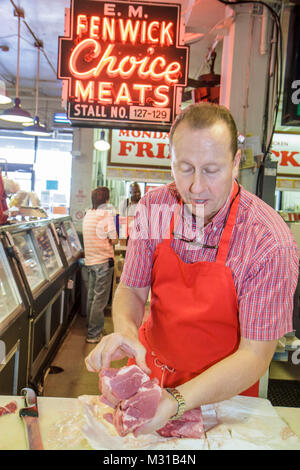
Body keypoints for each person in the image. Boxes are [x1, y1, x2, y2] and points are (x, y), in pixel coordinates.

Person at [85, 103, 299, 434]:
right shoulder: (156, 207)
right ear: (171, 161)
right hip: (150, 374)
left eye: (211, 170)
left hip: (223, 397)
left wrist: (177, 401)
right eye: (185, 168)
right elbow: (132, 288)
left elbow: (255, 355)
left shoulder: (268, 241)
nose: (196, 187)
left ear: (236, 163)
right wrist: (126, 332)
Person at [82, 187, 118, 343]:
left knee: (91, 296)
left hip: (90, 261)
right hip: (103, 262)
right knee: (100, 299)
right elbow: (114, 238)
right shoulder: (106, 215)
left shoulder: (88, 214)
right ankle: (93, 334)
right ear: (106, 200)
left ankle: (91, 327)